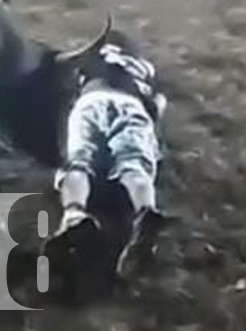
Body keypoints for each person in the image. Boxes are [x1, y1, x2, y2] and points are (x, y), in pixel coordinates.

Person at [49, 27, 170, 277]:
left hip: (92, 100)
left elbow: (61, 84)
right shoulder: (144, 68)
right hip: (132, 103)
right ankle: (145, 211)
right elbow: (158, 105)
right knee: (134, 164)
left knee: (78, 162)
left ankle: (74, 214)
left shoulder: (89, 61)